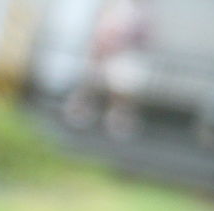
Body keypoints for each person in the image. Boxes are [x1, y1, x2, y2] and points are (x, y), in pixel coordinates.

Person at [63, 0, 152, 139]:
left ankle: (113, 119)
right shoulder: (121, 8)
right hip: (107, 51)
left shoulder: (137, 11)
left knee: (118, 89)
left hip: (118, 53)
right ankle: (82, 112)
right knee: (94, 85)